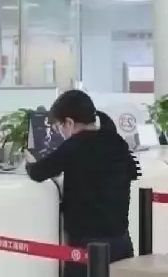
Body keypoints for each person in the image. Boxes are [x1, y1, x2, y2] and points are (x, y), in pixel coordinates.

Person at [24, 90, 139, 276]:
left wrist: (29, 163)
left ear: (69, 123)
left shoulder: (74, 146)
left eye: (60, 127)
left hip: (87, 249)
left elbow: (38, 173)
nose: (61, 132)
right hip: (122, 242)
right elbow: (132, 172)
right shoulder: (116, 141)